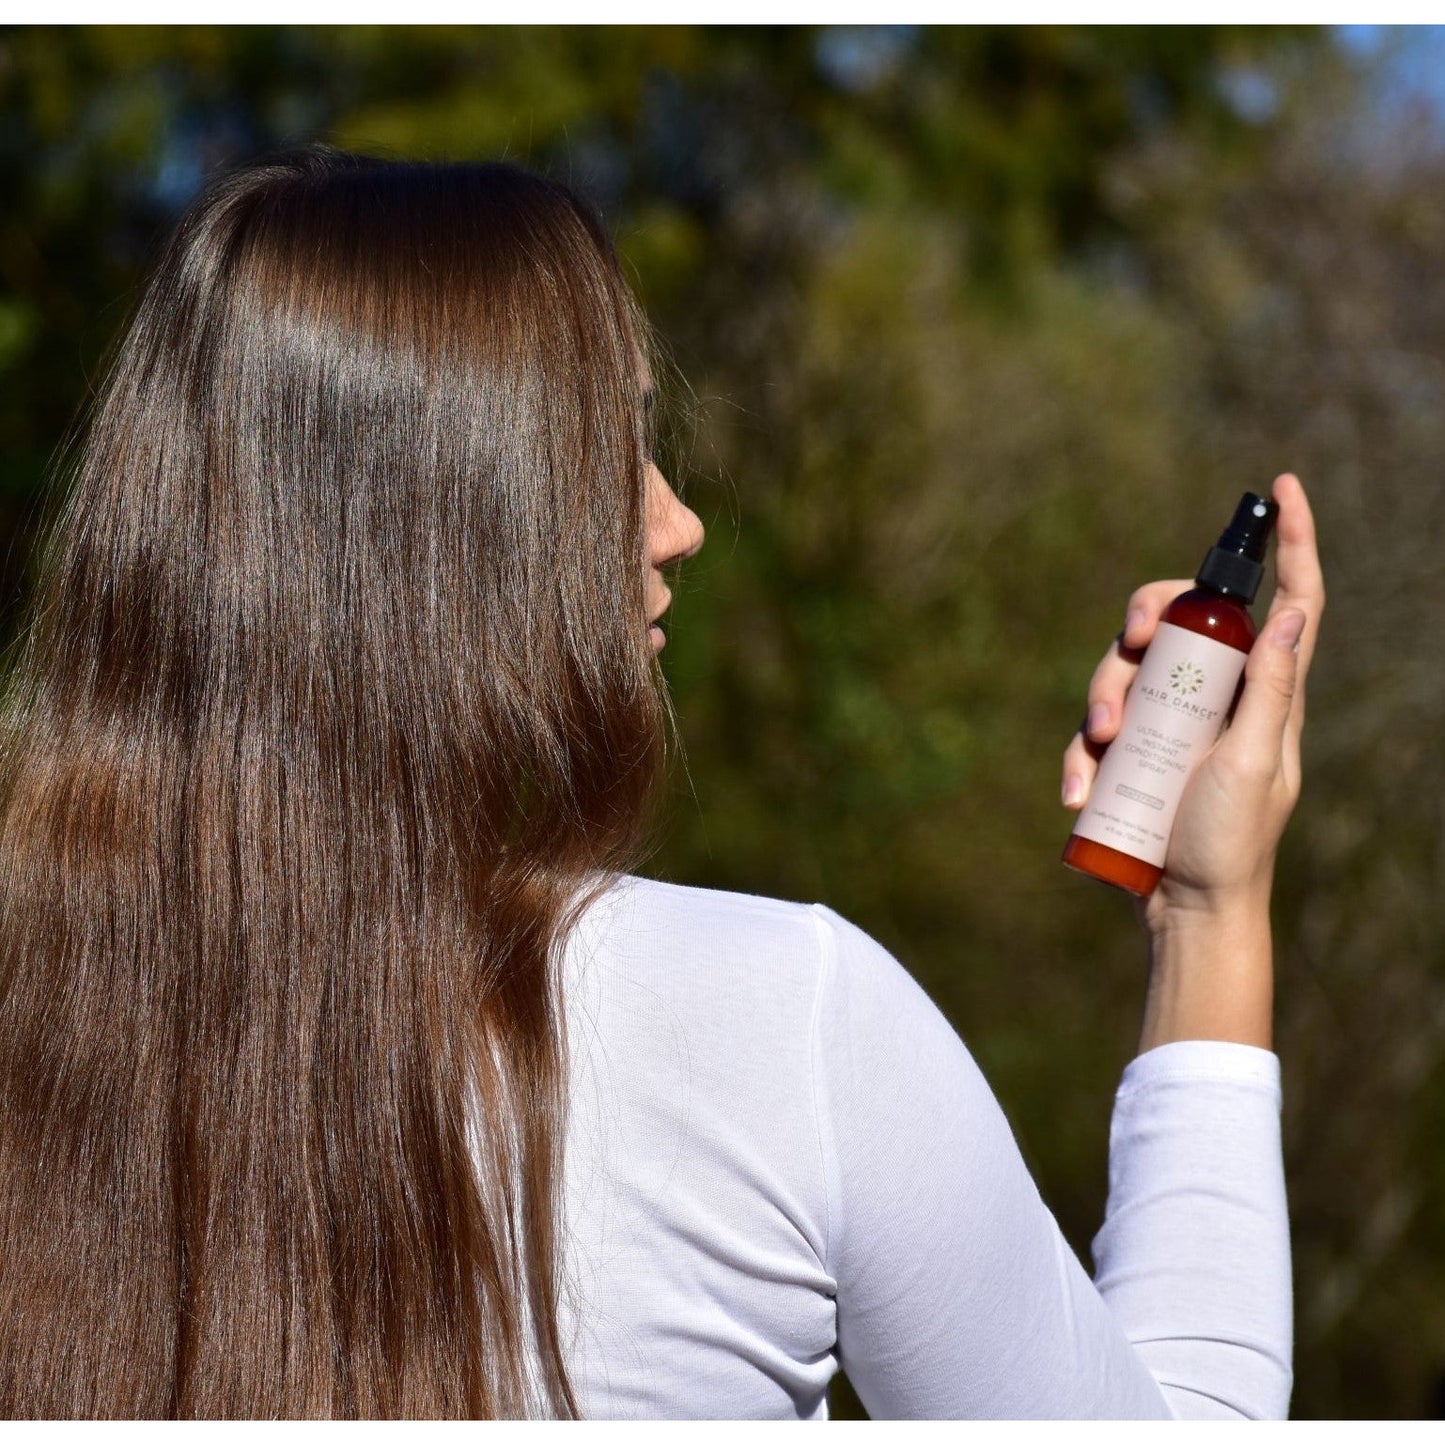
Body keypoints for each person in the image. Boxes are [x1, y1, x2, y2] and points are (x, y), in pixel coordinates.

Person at [0, 143, 1322, 1421]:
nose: (678, 521)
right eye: (605, 446)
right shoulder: (779, 1021)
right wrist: (1210, 915)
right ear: (434, 520)